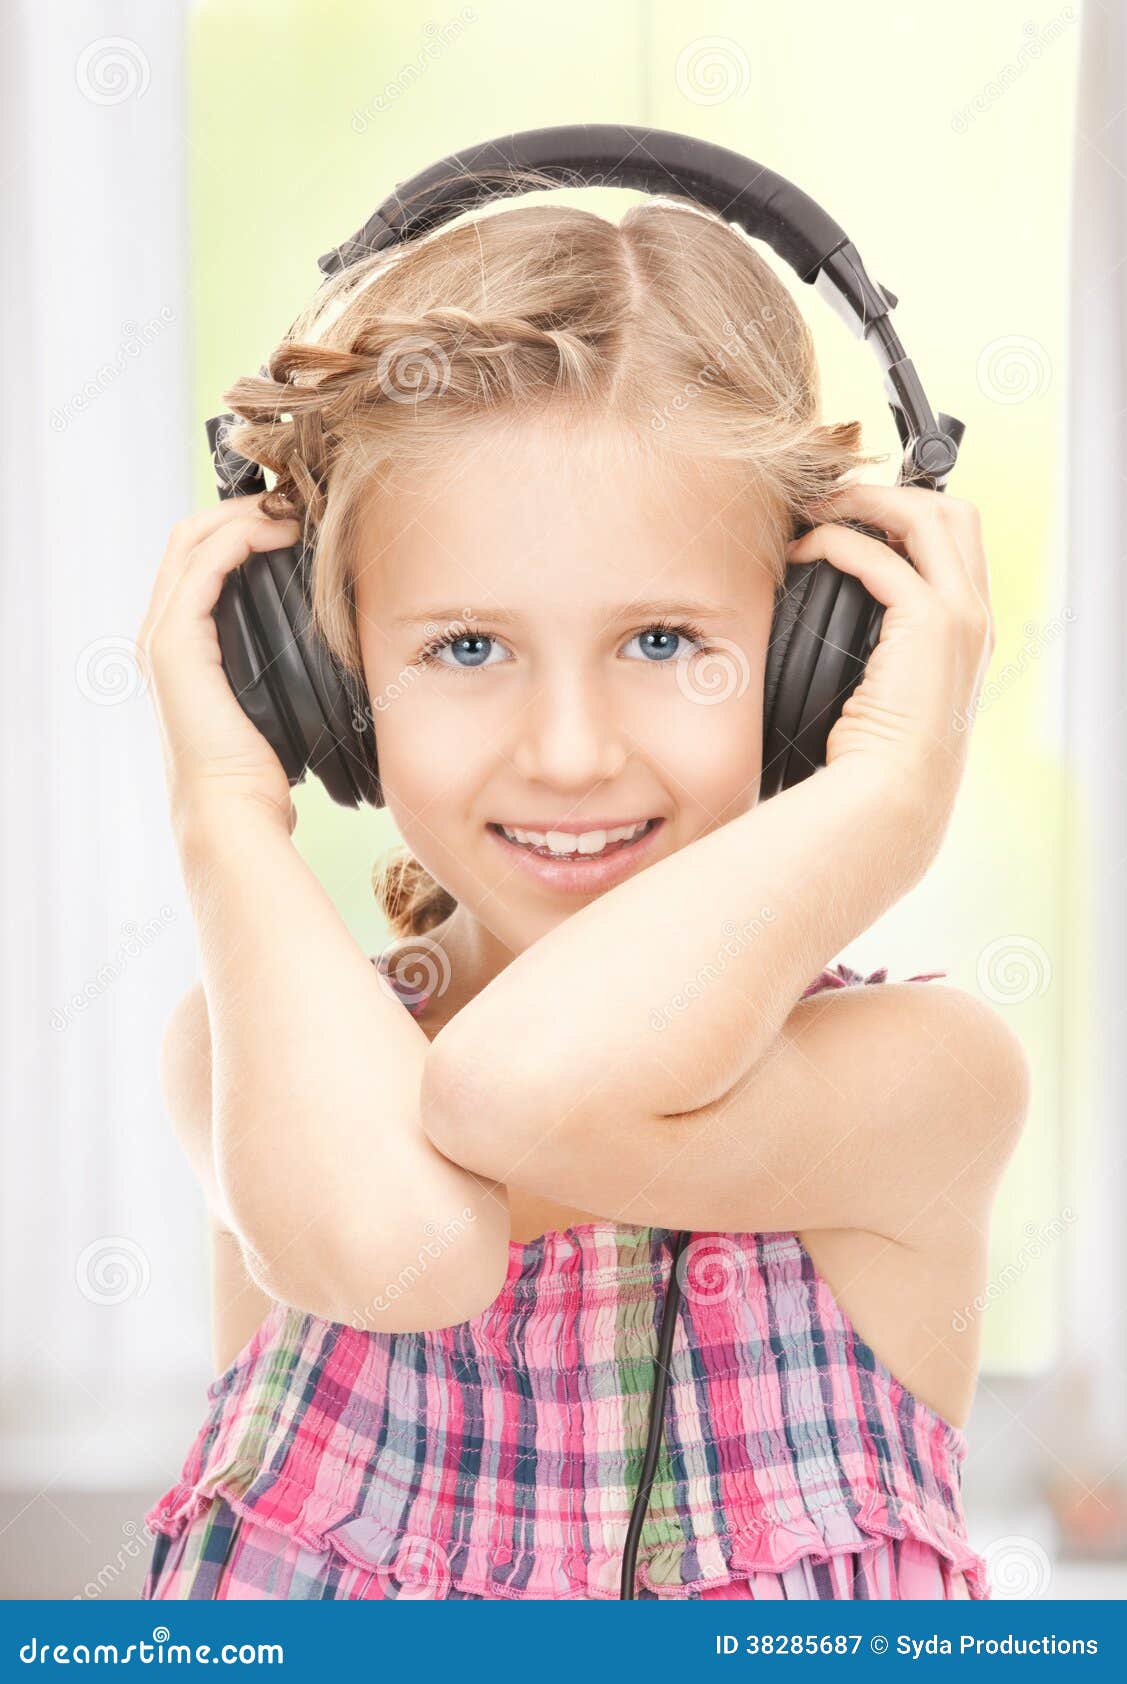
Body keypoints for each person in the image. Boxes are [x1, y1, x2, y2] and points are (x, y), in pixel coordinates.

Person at [137, 193, 1029, 1600]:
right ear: (318, 677)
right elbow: (408, 1241)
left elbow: (520, 1095)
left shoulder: (922, 1080)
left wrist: (889, 787)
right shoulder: (265, 1047)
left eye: (664, 639)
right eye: (469, 643)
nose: (567, 751)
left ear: (818, 657)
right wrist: (224, 814)